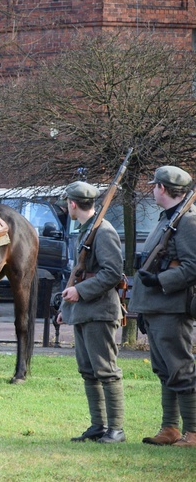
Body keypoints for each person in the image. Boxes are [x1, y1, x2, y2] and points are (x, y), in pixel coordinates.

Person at [129, 165, 196, 448]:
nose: (152, 188)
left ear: (163, 189)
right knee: (163, 369)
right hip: (155, 307)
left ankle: (192, 432)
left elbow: (193, 267)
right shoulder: (166, 219)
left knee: (180, 369)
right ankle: (169, 427)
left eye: (154, 185)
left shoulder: (188, 222)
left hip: (172, 307)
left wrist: (159, 280)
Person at [57, 181, 125, 443]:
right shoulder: (87, 230)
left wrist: (80, 292)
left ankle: (116, 429)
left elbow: (112, 273)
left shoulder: (103, 231)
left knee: (106, 370)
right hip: (84, 310)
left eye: (67, 203)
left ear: (72, 204)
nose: (67, 207)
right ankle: (98, 426)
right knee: (88, 370)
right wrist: (67, 307)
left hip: (100, 311)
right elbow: (79, 272)